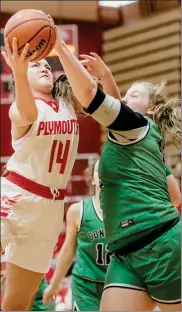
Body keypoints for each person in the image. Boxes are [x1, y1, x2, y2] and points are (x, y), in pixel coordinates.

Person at [49, 26, 181, 311]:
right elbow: (175, 195)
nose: (124, 99)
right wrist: (107, 75)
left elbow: (90, 95)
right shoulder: (139, 139)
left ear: (151, 110)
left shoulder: (135, 126)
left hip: (159, 245)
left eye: (133, 96)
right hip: (124, 251)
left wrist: (59, 47)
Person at [0, 34, 82, 311]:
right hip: (15, 198)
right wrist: (18, 72)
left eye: (48, 64)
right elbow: (28, 111)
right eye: (35, 65)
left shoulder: (70, 104)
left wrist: (59, 46)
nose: (45, 67)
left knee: (17, 303)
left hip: (50, 209)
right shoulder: (20, 109)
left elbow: (100, 96)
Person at [43, 159, 113, 311]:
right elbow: (68, 251)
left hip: (118, 285)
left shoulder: (129, 212)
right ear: (92, 179)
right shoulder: (77, 211)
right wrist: (54, 285)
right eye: (99, 170)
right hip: (86, 286)